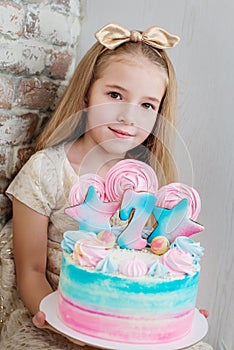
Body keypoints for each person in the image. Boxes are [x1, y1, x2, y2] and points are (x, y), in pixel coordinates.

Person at [0, 23, 210, 349]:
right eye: (114, 95)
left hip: (127, 328)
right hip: (56, 316)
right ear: (86, 95)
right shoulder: (46, 171)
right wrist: (66, 327)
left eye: (147, 105)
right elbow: (30, 269)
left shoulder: (149, 181)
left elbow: (151, 264)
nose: (129, 116)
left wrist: (172, 317)